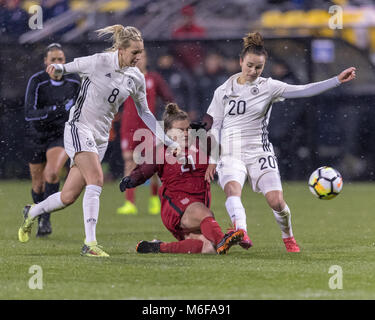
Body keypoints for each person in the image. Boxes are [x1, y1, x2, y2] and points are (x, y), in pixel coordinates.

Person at [18, 24, 179, 257]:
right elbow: (67, 68)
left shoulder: (136, 77)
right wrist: (57, 68)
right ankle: (90, 244)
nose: (138, 57)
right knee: (96, 179)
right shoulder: (99, 61)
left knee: (68, 196)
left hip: (100, 138)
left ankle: (31, 212)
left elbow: (145, 113)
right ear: (121, 50)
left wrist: (167, 141)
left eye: (141, 51)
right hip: (78, 127)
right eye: (134, 52)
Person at [204, 32, 356, 252]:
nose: (253, 71)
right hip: (231, 151)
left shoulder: (269, 86)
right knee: (232, 190)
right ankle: (242, 232)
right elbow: (214, 126)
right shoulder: (222, 91)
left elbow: (304, 90)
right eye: (249, 66)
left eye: (259, 67)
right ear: (240, 62)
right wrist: (212, 158)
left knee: (276, 201)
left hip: (260, 151)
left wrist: (336, 80)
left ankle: (288, 238)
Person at [119, 103, 244, 254]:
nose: (185, 134)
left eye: (187, 129)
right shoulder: (162, 151)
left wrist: (206, 135)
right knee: (205, 215)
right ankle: (222, 239)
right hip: (176, 205)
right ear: (167, 132)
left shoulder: (201, 144)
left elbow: (221, 148)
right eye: (180, 130)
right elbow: (145, 170)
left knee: (208, 248)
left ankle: (157, 247)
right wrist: (131, 179)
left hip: (197, 206)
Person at [24, 43, 81, 237]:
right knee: (38, 184)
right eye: (53, 60)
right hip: (37, 135)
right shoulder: (37, 81)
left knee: (52, 173)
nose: (57, 63)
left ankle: (46, 220)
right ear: (46, 62)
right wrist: (54, 110)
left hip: (60, 134)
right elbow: (29, 113)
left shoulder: (74, 81)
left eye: (61, 60)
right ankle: (39, 216)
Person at [117, 50, 174, 216]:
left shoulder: (153, 79)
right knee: (129, 162)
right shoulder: (124, 77)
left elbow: (168, 98)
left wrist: (172, 116)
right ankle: (129, 202)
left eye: (141, 58)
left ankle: (154, 199)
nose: (139, 61)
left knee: (153, 165)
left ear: (146, 60)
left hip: (148, 127)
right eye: (136, 58)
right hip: (128, 126)